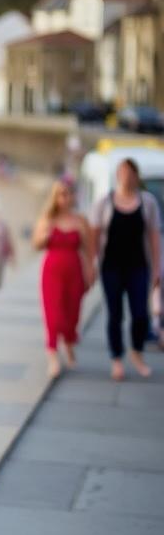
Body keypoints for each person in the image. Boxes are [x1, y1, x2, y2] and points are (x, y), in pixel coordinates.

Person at [90, 158, 162, 380]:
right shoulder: (105, 201)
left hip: (138, 266)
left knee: (140, 313)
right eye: (122, 172)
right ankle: (117, 358)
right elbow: (94, 233)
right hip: (111, 265)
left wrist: (158, 267)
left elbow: (153, 235)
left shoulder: (147, 202)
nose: (126, 177)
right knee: (115, 314)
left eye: (130, 173)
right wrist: (92, 263)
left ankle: (137, 352)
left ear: (136, 176)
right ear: (117, 175)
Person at [32, 178, 94, 378]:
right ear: (55, 197)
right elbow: (37, 244)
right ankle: (52, 355)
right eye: (61, 194)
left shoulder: (80, 220)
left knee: (72, 314)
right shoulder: (47, 219)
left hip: (74, 272)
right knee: (53, 315)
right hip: (52, 273)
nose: (65, 198)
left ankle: (68, 344)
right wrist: (45, 235)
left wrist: (90, 272)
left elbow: (88, 250)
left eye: (68, 194)